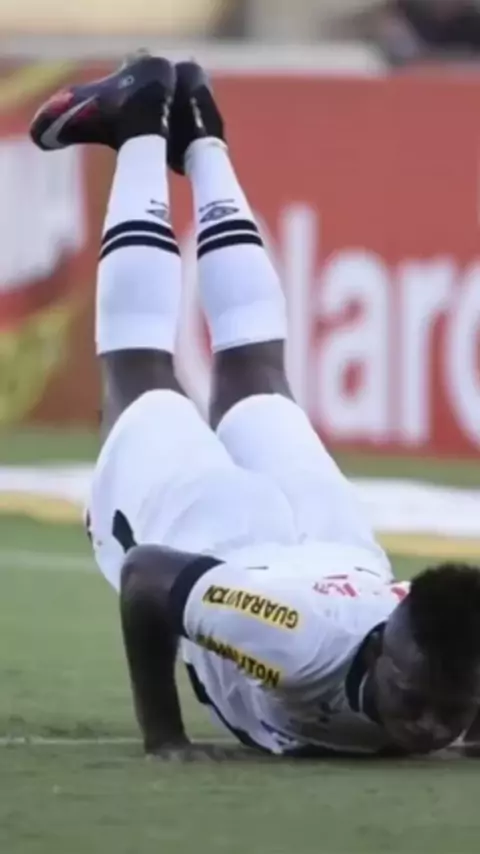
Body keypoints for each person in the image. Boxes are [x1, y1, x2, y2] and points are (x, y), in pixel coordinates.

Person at [30, 53, 480, 760]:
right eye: (415, 698)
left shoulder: (442, 668)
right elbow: (147, 576)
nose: (426, 727)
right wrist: (165, 738)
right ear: (383, 651)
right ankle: (141, 125)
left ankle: (204, 137)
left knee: (254, 368)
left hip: (335, 546)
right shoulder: (292, 642)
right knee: (141, 373)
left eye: (450, 713)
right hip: (231, 540)